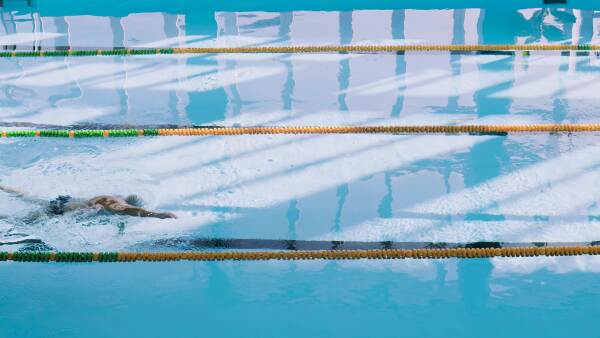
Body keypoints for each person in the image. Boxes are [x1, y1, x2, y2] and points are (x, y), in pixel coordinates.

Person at [0, 183, 177, 220]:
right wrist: (158, 215)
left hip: (65, 202)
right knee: (19, 222)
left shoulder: (111, 198)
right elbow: (130, 210)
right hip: (59, 210)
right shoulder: (112, 203)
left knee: (27, 197)